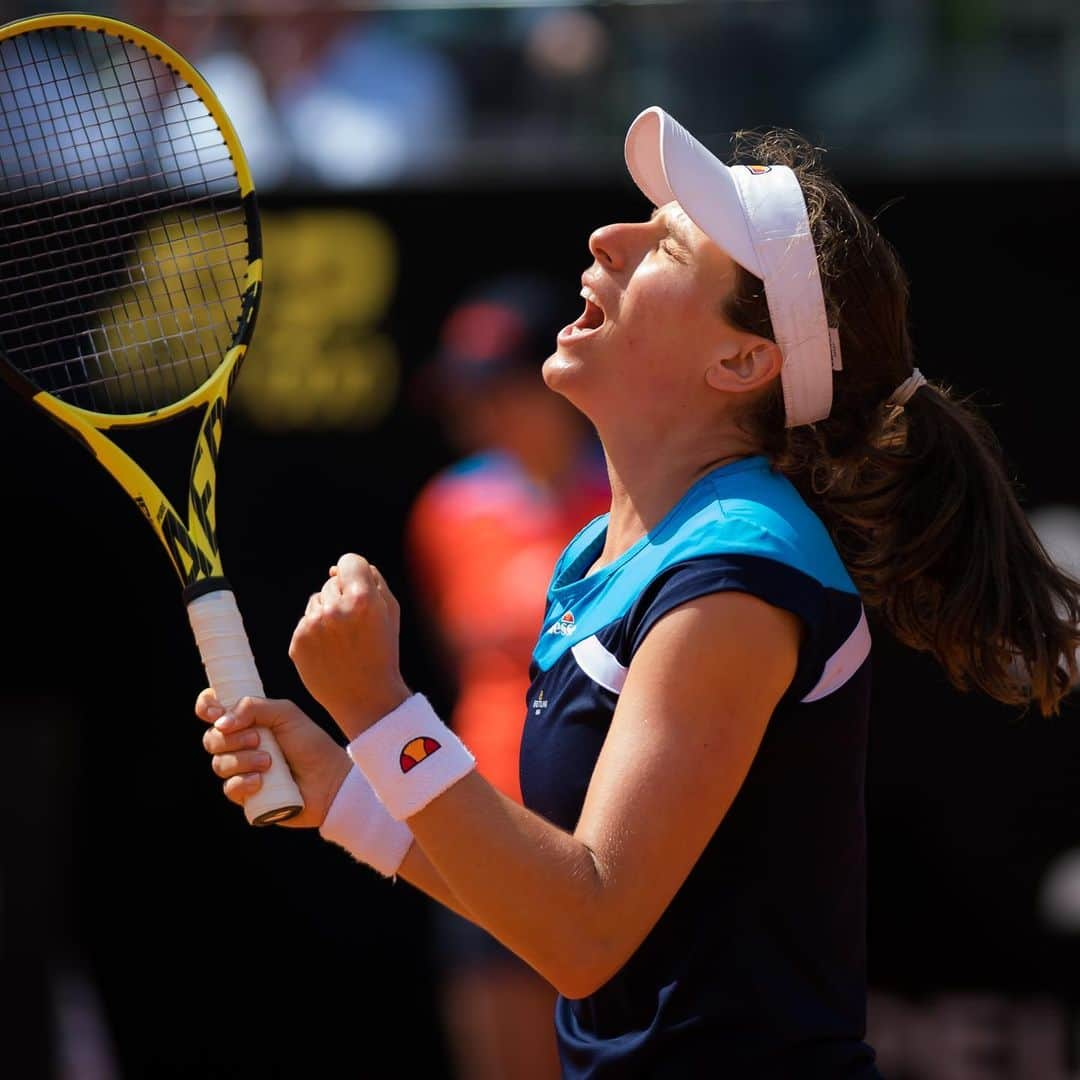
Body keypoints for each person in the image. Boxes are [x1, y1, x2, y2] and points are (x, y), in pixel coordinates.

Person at [195, 106, 1080, 1077]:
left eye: (662, 246)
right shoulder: (602, 553)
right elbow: (543, 897)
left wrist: (378, 708)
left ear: (742, 361)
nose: (605, 237)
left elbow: (584, 932)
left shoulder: (738, 575)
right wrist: (344, 794)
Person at [404, 275, 609, 1079]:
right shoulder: (446, 510)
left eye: (500, 392)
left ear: (556, 386)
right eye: (464, 396)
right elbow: (460, 660)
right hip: (477, 823)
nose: (478, 416)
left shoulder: (631, 501)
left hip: (604, 842)